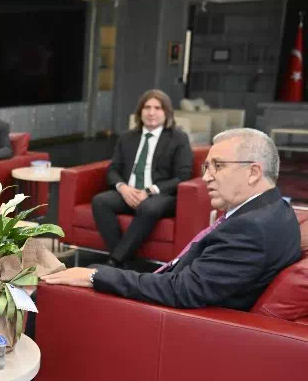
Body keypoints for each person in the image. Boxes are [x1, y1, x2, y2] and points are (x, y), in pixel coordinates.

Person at [42, 128, 302, 311]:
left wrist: (96, 276)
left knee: (52, 297)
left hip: (170, 320)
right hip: (174, 297)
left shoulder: (250, 229)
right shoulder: (278, 209)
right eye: (207, 167)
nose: (207, 177)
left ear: (254, 172)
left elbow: (182, 291)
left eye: (218, 166)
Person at [92, 89, 193, 267]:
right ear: (140, 112)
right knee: (100, 201)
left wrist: (149, 191)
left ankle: (115, 260)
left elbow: (182, 176)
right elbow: (113, 169)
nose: (151, 112)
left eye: (157, 108)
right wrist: (123, 188)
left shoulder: (178, 138)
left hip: (161, 195)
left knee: (148, 207)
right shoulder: (127, 137)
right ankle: (124, 262)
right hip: (130, 192)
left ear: (166, 113)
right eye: (147, 107)